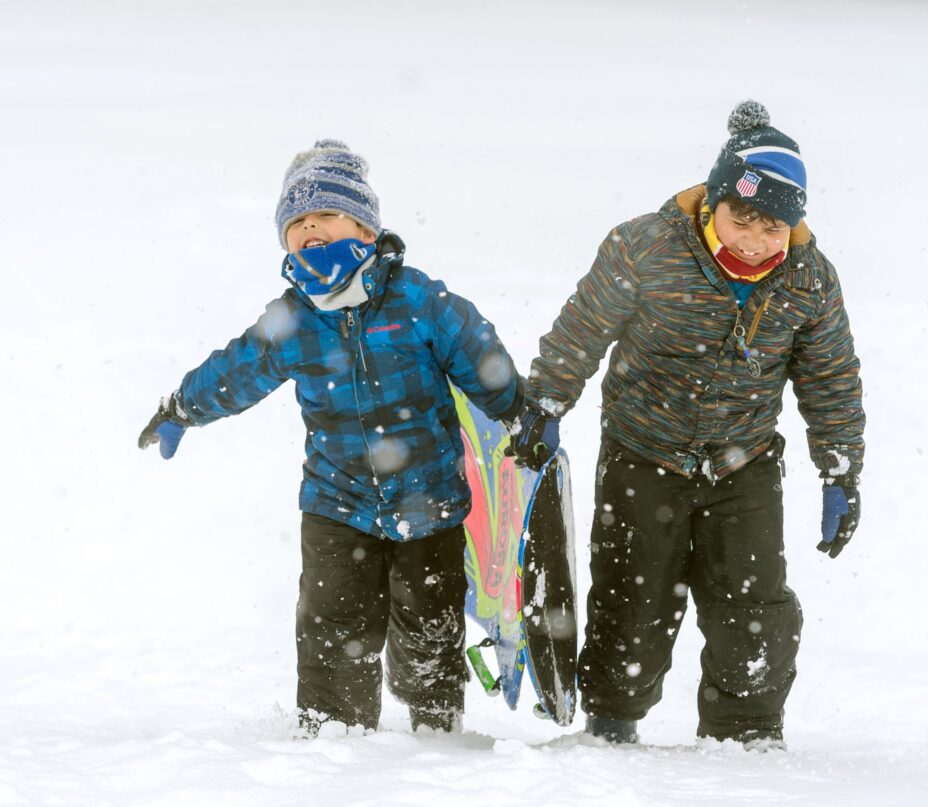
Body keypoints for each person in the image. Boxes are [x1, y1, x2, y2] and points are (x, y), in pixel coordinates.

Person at [510, 101, 864, 749]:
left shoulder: (809, 278)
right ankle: (611, 725)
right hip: (643, 453)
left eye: (773, 227)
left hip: (744, 463)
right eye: (742, 219)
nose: (754, 240)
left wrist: (840, 468)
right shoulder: (646, 246)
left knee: (752, 608)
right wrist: (547, 402)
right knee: (632, 600)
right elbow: (583, 328)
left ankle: (747, 736)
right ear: (714, 203)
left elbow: (831, 376)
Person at [139, 140, 523, 735]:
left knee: (429, 632)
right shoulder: (293, 317)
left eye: (325, 215)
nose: (310, 228)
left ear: (367, 230)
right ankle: (330, 742)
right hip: (336, 503)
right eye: (296, 223)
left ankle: (436, 734)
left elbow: (482, 362)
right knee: (332, 630)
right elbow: (237, 370)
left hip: (429, 501)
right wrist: (182, 407)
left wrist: (522, 417)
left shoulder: (420, 301)